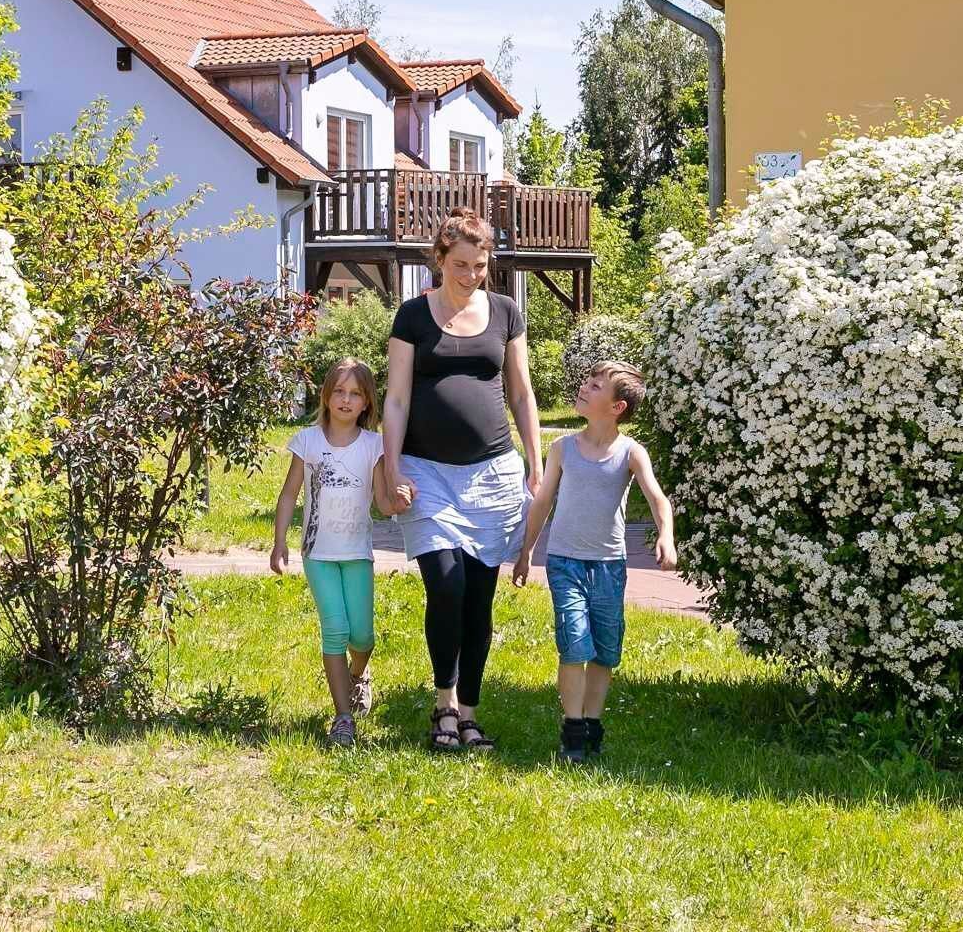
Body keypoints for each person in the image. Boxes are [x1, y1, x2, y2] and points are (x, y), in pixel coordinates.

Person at [380, 211, 544, 753]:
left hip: (493, 472)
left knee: (479, 596)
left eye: (480, 265)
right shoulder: (412, 316)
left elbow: (521, 393)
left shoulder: (505, 312)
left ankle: (467, 714)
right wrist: (394, 464)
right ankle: (443, 702)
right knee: (445, 584)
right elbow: (397, 398)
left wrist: (536, 462)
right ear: (439, 259)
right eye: (460, 265)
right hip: (427, 473)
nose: (471, 275)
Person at [513, 361, 675, 764]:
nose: (584, 388)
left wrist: (666, 536)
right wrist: (525, 551)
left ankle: (593, 723)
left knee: (604, 650)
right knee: (573, 642)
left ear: (617, 407)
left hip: (608, 565)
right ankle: (572, 730)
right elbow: (543, 502)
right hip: (565, 561)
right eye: (587, 381)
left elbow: (657, 499)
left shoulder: (630, 453)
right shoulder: (563, 449)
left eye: (595, 385)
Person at [270, 358, 387, 747]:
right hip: (317, 552)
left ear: (367, 403)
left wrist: (401, 497)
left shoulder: (374, 445)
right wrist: (279, 541)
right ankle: (342, 718)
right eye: (339, 391)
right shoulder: (308, 441)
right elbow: (289, 496)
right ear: (326, 395)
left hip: (358, 553)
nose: (346, 400)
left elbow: (384, 503)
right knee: (335, 630)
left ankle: (359, 673)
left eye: (355, 393)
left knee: (363, 636)